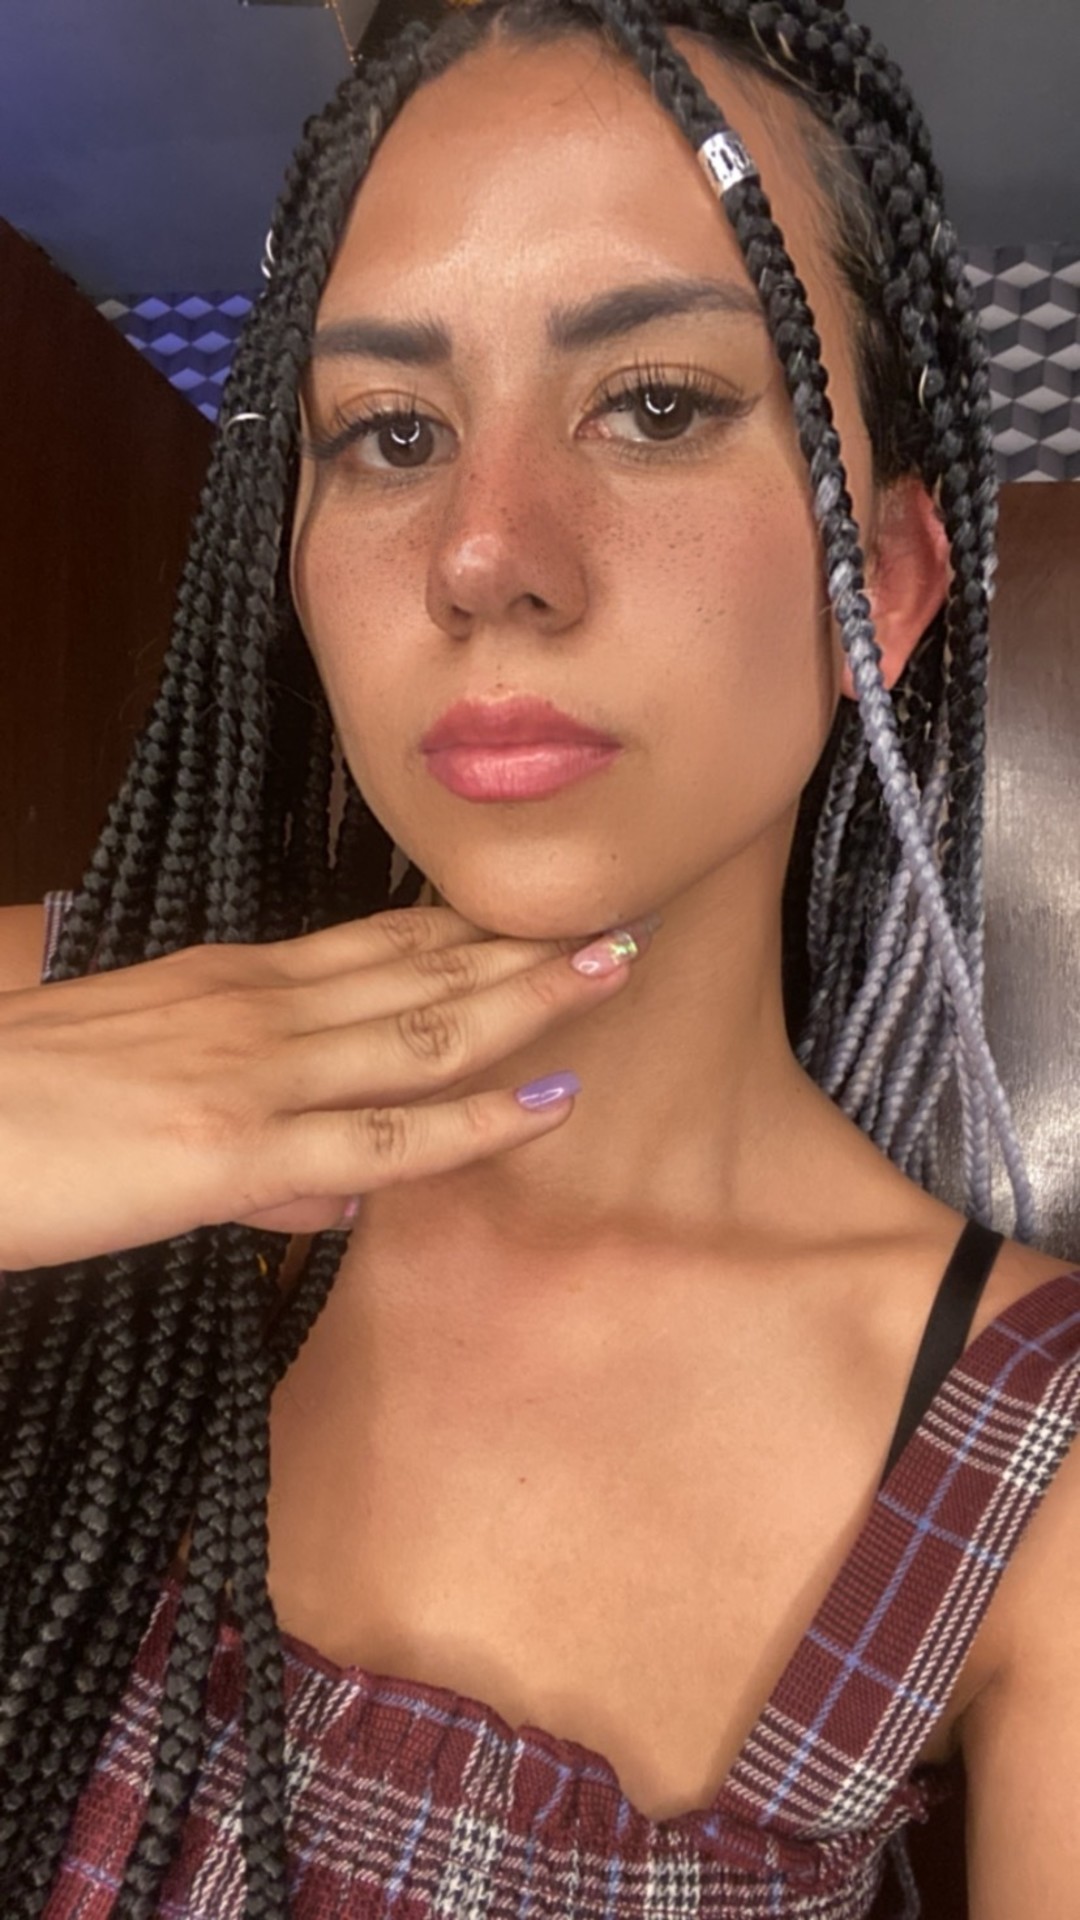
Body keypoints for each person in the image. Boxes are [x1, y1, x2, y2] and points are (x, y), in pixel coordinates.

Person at [0, 0, 1077, 1912]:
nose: (486, 553)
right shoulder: (55, 1033)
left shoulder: (1030, 1468)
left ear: (888, 589)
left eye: (655, 404)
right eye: (392, 434)